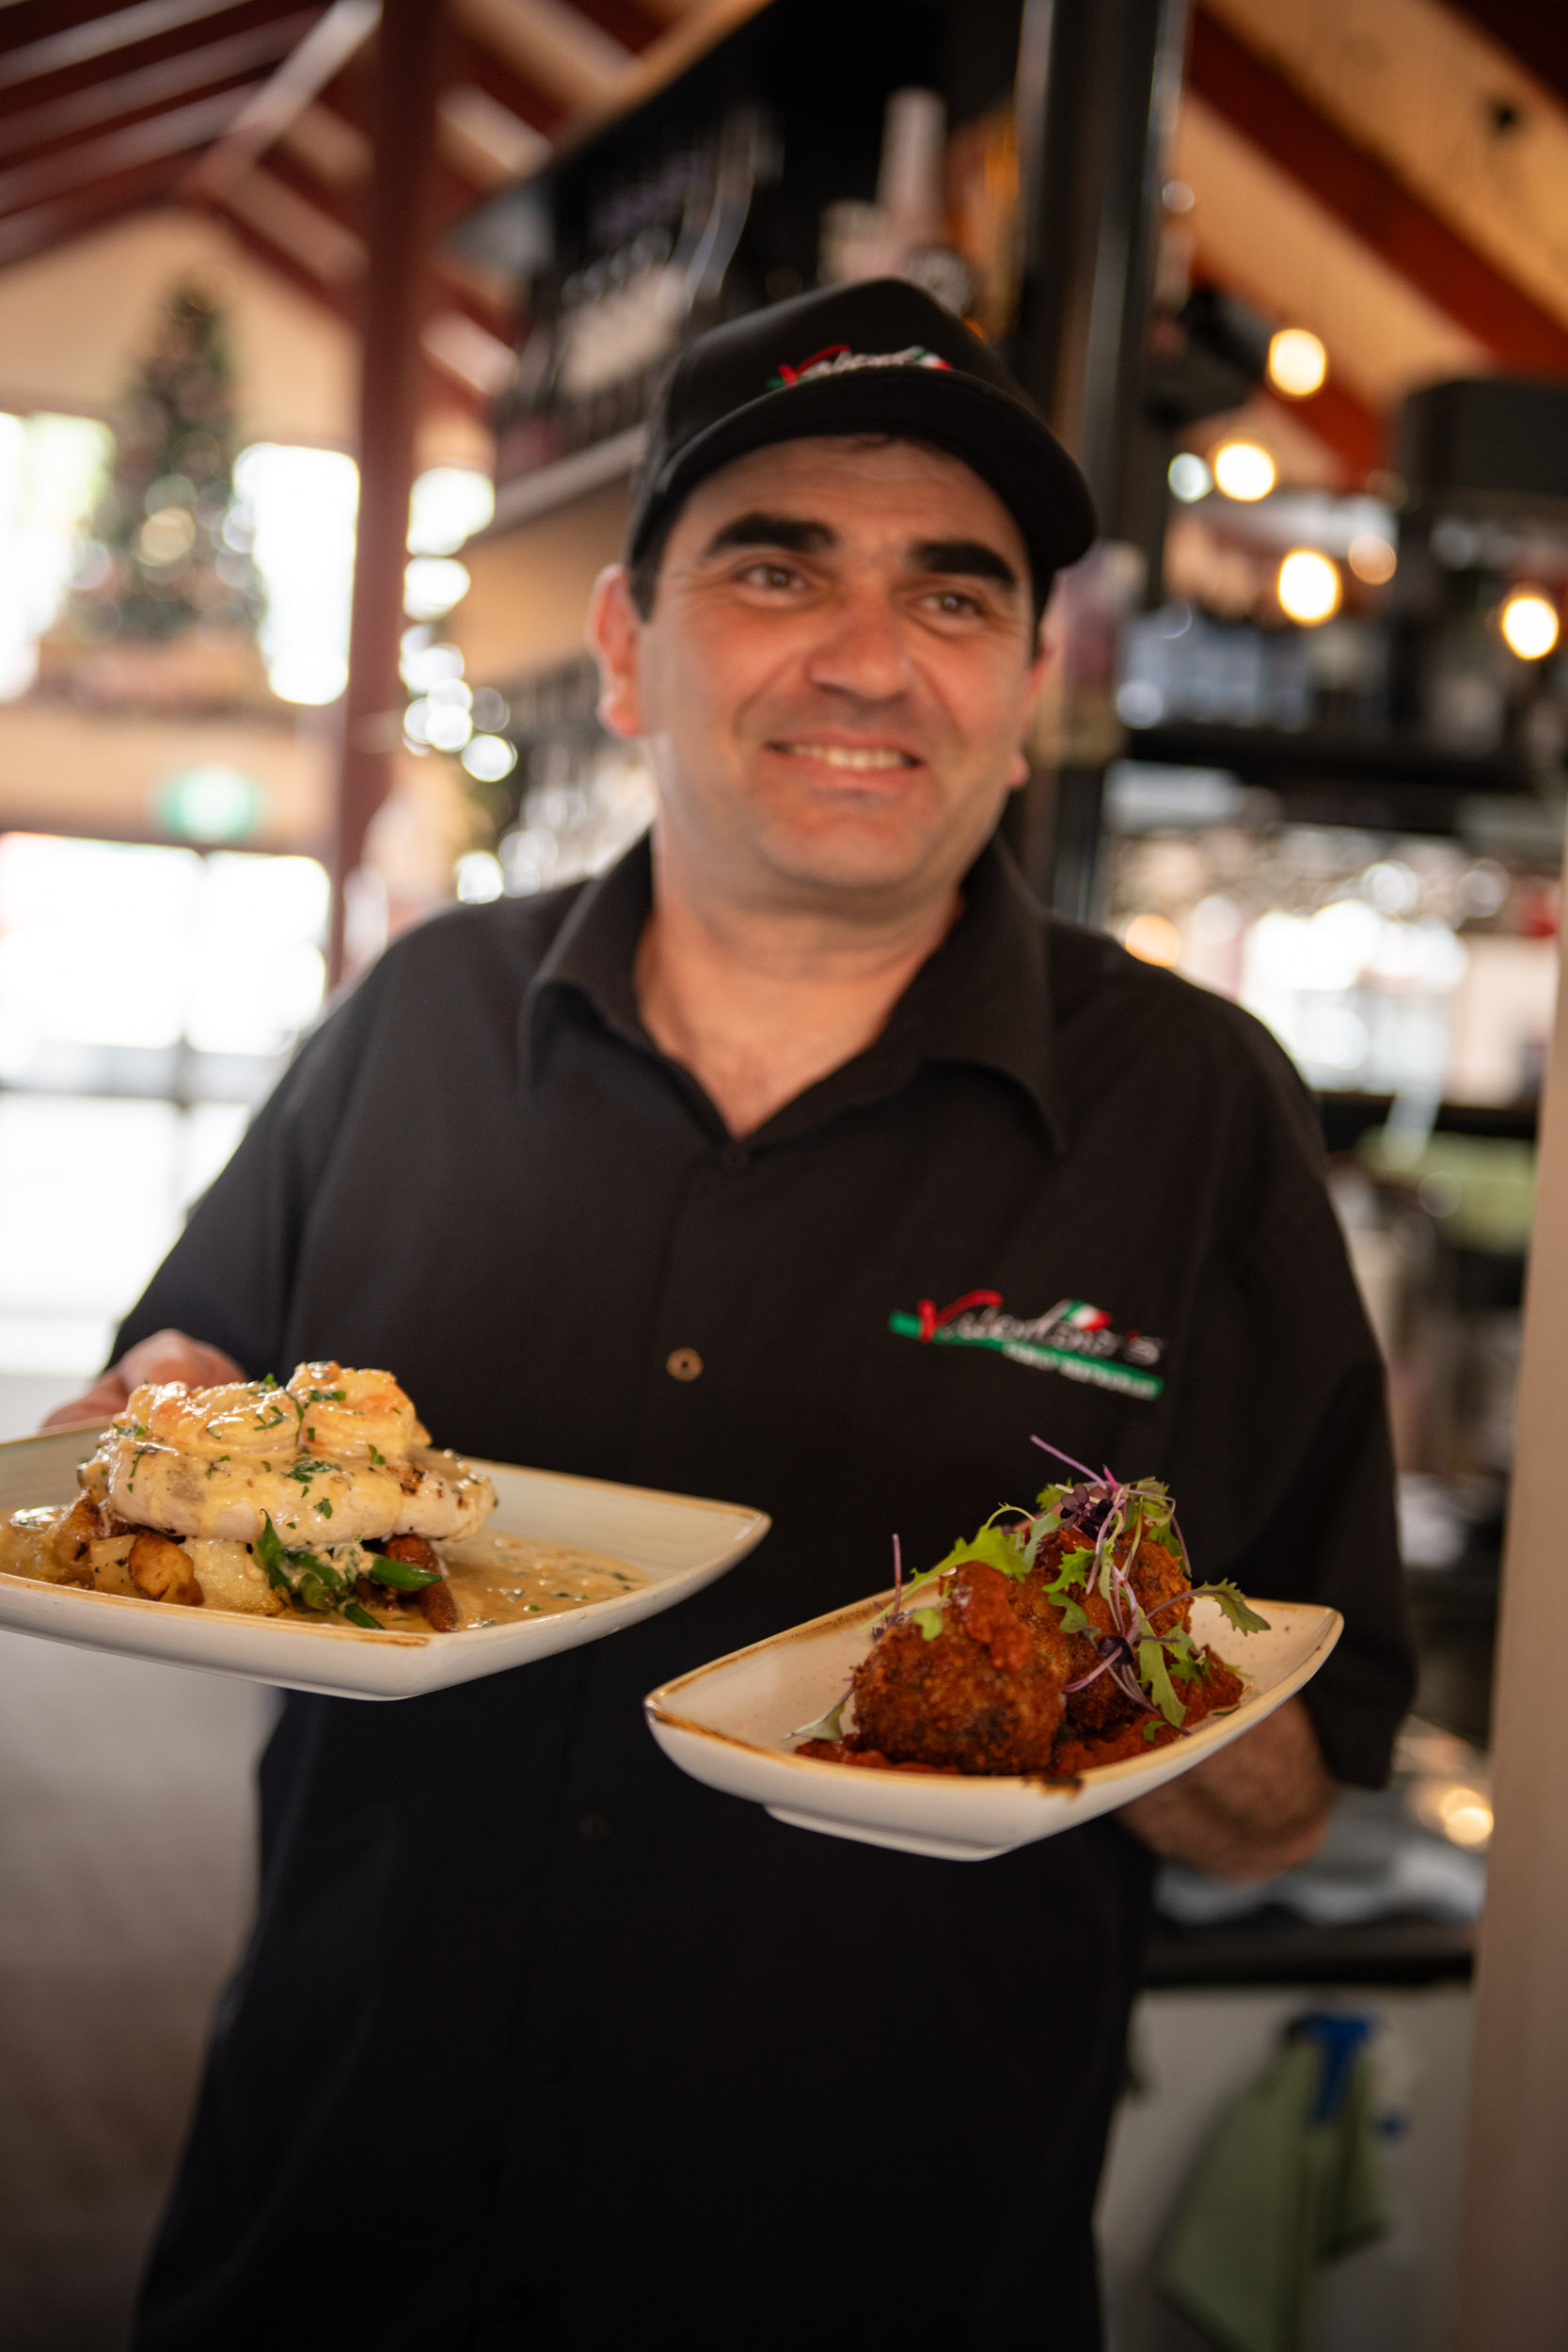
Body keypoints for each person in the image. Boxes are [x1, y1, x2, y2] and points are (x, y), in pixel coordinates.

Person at [53, 280, 1411, 2349]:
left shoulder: (1195, 1107)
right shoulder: (422, 1019)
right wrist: (169, 1417)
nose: (868, 657)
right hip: (336, 2212)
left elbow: (1295, 1791)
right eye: (778, 568)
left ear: (1032, 681)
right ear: (627, 645)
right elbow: (183, 1379)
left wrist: (1135, 1685)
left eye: (956, 597)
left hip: (877, 2262)